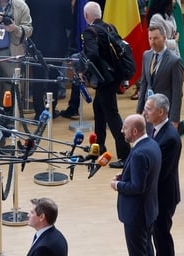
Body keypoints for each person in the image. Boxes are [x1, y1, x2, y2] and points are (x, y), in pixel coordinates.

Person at [110, 114, 161, 256]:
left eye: (124, 128)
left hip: (136, 214)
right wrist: (125, 175)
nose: (121, 131)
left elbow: (137, 187)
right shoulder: (151, 145)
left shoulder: (139, 153)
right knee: (148, 253)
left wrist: (118, 185)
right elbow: (144, 176)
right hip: (148, 210)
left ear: (134, 131)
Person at [139, 93, 181, 256]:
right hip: (157, 194)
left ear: (161, 112)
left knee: (162, 236)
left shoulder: (170, 138)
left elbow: (161, 172)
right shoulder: (154, 129)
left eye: (149, 108)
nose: (145, 111)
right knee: (157, 236)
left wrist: (139, 185)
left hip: (164, 195)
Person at [81, 1, 130, 168]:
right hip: (113, 76)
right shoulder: (110, 27)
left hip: (104, 79)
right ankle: (99, 146)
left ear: (86, 16)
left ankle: (125, 155)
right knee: (98, 108)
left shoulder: (89, 32)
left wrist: (83, 71)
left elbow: (92, 55)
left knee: (112, 115)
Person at [26, 0, 72, 117]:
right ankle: (51, 109)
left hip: (37, 42)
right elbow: (68, 23)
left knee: (38, 79)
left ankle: (39, 111)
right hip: (56, 43)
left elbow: (28, 19)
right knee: (54, 79)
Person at [136, 24, 183, 127]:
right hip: (148, 111)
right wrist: (139, 111)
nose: (152, 41)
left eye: (156, 38)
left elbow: (177, 93)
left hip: (164, 112)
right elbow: (144, 84)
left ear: (164, 38)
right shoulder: (146, 56)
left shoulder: (175, 61)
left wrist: (174, 119)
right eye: (150, 38)